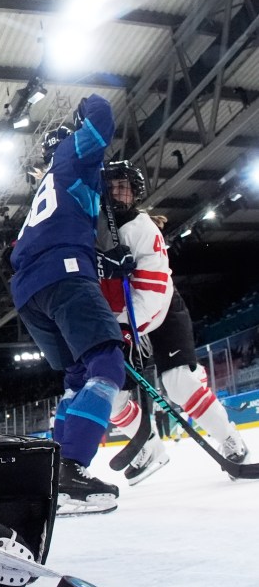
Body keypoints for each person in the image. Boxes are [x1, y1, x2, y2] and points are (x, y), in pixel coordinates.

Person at [99, 160, 250, 484]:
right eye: (109, 186)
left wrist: (125, 328)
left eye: (122, 185)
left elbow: (154, 295)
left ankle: (230, 438)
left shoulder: (142, 230)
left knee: (179, 383)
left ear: (135, 192)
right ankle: (151, 448)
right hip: (125, 319)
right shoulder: (96, 229)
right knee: (110, 398)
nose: (115, 192)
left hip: (162, 309)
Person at [10, 95, 126, 515]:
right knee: (108, 365)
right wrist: (88, 104)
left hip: (28, 289)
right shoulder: (70, 156)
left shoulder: (48, 183)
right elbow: (101, 119)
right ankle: (73, 470)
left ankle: (55, 470)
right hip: (62, 273)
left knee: (77, 375)